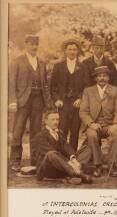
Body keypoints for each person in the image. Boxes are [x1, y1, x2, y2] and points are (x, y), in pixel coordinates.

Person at [9, 35, 53, 171]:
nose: (34, 47)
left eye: (36, 44)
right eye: (31, 44)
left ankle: (35, 160)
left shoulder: (41, 62)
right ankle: (15, 161)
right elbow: (11, 83)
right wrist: (12, 101)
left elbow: (45, 84)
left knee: (36, 131)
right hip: (22, 100)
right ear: (26, 44)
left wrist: (48, 102)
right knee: (18, 131)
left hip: (38, 100)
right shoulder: (17, 61)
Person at [79, 66, 117, 177]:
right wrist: (91, 123)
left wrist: (115, 124)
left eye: (105, 76)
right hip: (94, 125)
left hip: (110, 125)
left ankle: (112, 165)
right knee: (91, 135)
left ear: (108, 78)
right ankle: (97, 165)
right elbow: (83, 111)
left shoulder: (116, 90)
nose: (102, 78)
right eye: (99, 76)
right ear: (95, 78)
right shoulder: (88, 91)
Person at [33, 110, 93, 185]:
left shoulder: (59, 133)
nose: (55, 122)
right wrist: (70, 163)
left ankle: (72, 173)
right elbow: (52, 154)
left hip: (62, 167)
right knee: (51, 154)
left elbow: (67, 147)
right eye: (53, 119)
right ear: (46, 121)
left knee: (87, 148)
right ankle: (78, 173)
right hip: (48, 170)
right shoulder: (40, 136)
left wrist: (73, 159)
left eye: (57, 119)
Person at [51, 38, 89, 150]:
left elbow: (87, 86)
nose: (72, 52)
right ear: (65, 51)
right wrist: (57, 100)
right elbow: (53, 87)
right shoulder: (58, 66)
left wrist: (81, 98)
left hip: (77, 104)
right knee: (62, 129)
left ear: (77, 51)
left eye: (74, 49)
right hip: (63, 103)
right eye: (70, 49)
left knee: (75, 131)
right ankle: (61, 154)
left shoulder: (83, 67)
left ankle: (72, 155)